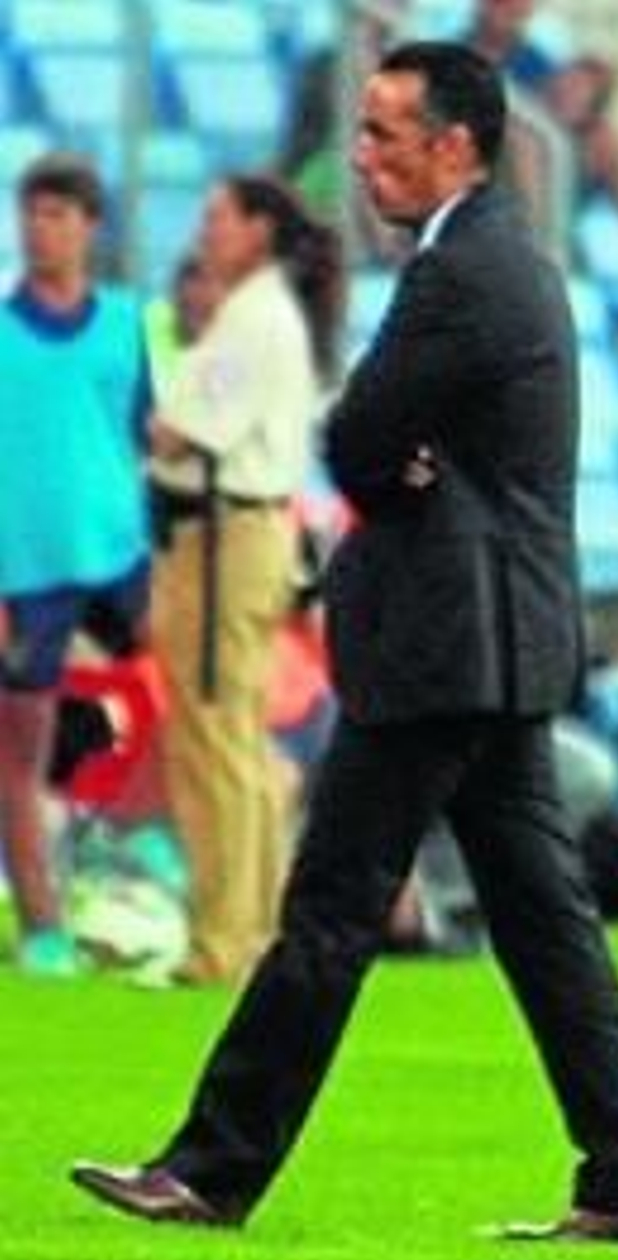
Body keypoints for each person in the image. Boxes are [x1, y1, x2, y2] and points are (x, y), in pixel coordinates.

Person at [70, 42, 618, 1237]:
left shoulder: (460, 272)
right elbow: (384, 437)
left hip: (445, 639)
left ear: (456, 144)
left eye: (385, 132)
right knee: (541, 916)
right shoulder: (502, 257)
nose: (361, 154)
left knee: (335, 906)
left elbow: (353, 440)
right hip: (495, 636)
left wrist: (391, 465)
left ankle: (213, 1166)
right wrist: (400, 458)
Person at [142, 175, 343, 988]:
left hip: (222, 534)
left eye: (218, 217)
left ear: (258, 229)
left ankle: (222, 940)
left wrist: (162, 425)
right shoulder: (269, 312)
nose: (206, 231)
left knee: (213, 736)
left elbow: (186, 430)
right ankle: (254, 926)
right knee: (237, 736)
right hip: (252, 532)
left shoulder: (249, 317)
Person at [0, 153, 150, 978]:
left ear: (90, 227)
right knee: (19, 751)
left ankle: (129, 833)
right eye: (30, 213)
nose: (39, 229)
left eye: (57, 214)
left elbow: (158, 435)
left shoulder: (130, 326)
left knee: (200, 698)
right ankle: (45, 928)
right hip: (23, 573)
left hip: (123, 557)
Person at [464, 0, 618, 292]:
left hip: (550, 166)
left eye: (520, 7)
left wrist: (584, 100)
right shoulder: (454, 54)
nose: (512, 12)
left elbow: (561, 108)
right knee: (521, 141)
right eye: (503, 5)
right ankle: (538, 257)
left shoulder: (536, 59)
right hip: (488, 167)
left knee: (607, 137)